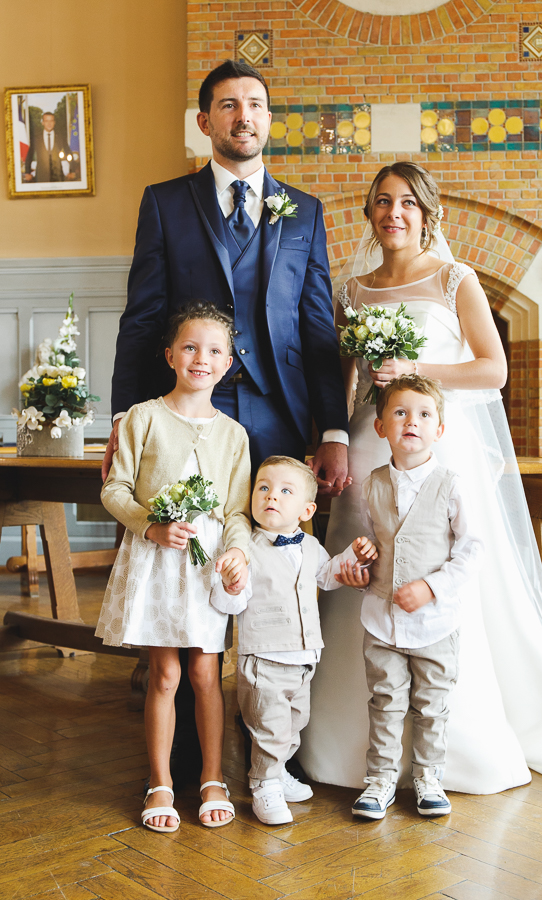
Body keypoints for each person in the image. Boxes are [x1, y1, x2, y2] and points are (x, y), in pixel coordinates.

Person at [300, 161, 542, 794]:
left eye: (407, 202)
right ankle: (347, 741)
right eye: (382, 201)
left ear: (427, 212)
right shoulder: (352, 290)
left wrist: (419, 367)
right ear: (371, 213)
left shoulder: (455, 279)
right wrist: (336, 440)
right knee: (364, 570)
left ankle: (445, 748)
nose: (394, 212)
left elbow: (492, 370)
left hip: (438, 447)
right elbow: (347, 380)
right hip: (368, 445)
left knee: (440, 564)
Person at [102, 58, 350, 783]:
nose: (245, 116)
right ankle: (183, 760)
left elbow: (315, 329)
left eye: (257, 105)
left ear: (268, 120)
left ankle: (277, 748)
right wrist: (123, 415)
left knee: (275, 572)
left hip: (277, 416)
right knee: (186, 568)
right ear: (205, 121)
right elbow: (142, 315)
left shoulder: (303, 211)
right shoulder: (165, 202)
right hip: (186, 419)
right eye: (228, 105)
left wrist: (331, 430)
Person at [96, 303, 252, 831]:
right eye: (190, 347)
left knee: (207, 672)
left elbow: (235, 511)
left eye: (213, 351)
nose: (200, 359)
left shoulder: (234, 434)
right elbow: (114, 489)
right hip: (159, 558)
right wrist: (150, 526)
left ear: (228, 363)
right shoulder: (143, 417)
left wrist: (237, 552)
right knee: (164, 673)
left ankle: (212, 776)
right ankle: (159, 781)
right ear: (169, 356)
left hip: (206, 567)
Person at [211, 455, 376, 825]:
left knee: (294, 723)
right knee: (268, 726)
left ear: (306, 510)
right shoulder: (245, 549)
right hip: (263, 657)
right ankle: (263, 784)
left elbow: (328, 575)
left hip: (304, 657)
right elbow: (227, 602)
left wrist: (352, 557)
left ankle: (279, 771)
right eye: (264, 488)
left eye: (285, 491)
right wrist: (231, 584)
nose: (271, 496)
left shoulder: (310, 547)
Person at [352, 375, 483, 820]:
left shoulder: (452, 484)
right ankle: (381, 777)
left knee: (432, 704)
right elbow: (373, 541)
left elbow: (472, 550)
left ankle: (429, 776)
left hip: (436, 622)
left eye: (425, 414)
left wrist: (431, 587)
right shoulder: (371, 485)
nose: (413, 422)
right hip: (382, 619)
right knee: (385, 700)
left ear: (439, 430)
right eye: (401, 413)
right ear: (381, 426)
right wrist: (363, 558)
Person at [24, 112, 72, 183]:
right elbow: (29, 155)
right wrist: (27, 172)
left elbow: (68, 152)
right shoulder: (36, 138)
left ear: (54, 122)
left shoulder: (60, 137)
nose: (49, 123)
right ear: (42, 122)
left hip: (58, 177)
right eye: (46, 121)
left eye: (51, 121)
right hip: (41, 177)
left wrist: (72, 171)